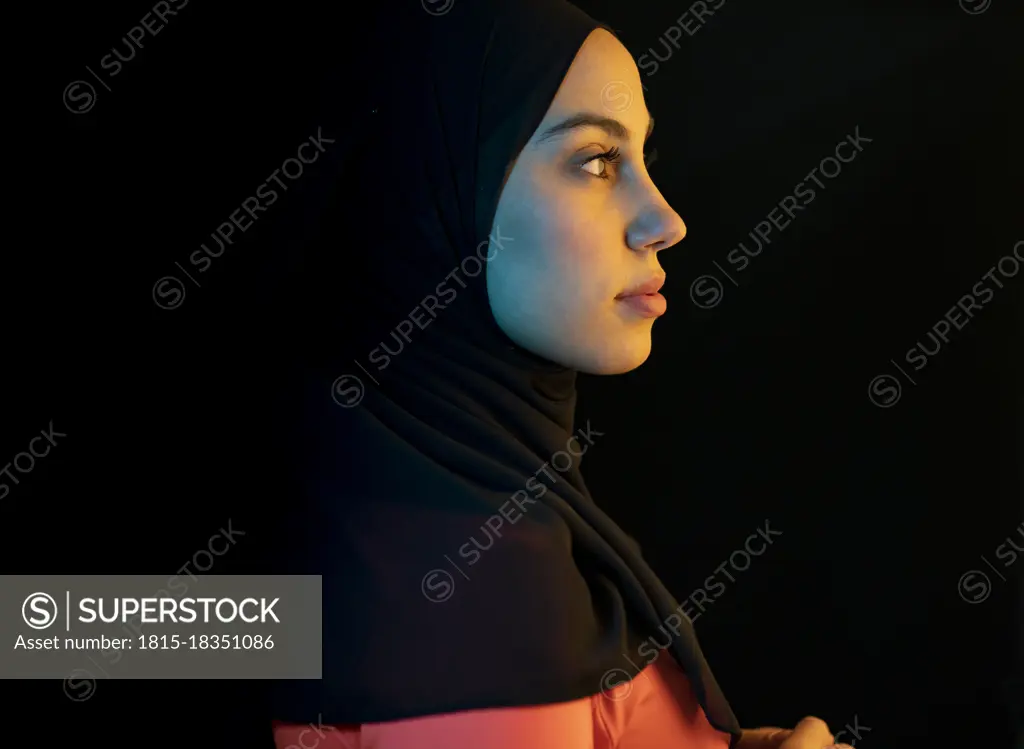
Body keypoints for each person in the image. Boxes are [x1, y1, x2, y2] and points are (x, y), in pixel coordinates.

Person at [268, 0, 853, 747]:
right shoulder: (475, 588)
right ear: (440, 195)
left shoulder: (396, 499)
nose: (665, 218)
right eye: (598, 160)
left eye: (641, 156)